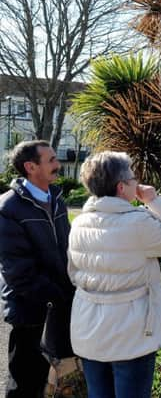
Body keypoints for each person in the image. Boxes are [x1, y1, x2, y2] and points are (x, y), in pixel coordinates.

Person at [68, 152, 161, 398]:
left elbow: (73, 273)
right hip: (131, 333)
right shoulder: (137, 222)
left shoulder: (79, 223)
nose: (138, 183)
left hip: (88, 327)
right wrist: (154, 200)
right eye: (134, 178)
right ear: (122, 187)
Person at [0, 140, 75, 397]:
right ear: (31, 167)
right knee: (25, 385)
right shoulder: (8, 208)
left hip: (60, 307)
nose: (58, 165)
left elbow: (68, 251)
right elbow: (18, 273)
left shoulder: (57, 199)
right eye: (51, 160)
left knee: (55, 383)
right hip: (29, 312)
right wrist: (59, 295)